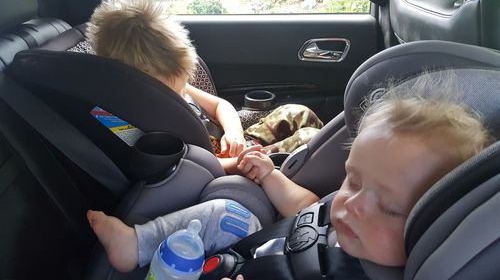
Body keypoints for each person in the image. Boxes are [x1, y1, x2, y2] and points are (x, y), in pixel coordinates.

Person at [87, 80, 493, 276]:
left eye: (388, 207)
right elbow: (306, 209)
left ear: (440, 224)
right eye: (353, 181)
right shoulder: (351, 215)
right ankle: (138, 243)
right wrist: (268, 175)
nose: (349, 204)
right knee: (227, 210)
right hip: (260, 246)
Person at [86, 0, 323, 173]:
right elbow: (182, 167)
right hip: (222, 167)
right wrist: (238, 163)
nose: (180, 94)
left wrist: (233, 132)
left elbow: (221, 105)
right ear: (134, 84)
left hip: (235, 145)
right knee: (309, 140)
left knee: (298, 112)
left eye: (182, 87)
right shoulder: (122, 123)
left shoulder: (169, 83)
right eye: (173, 91)